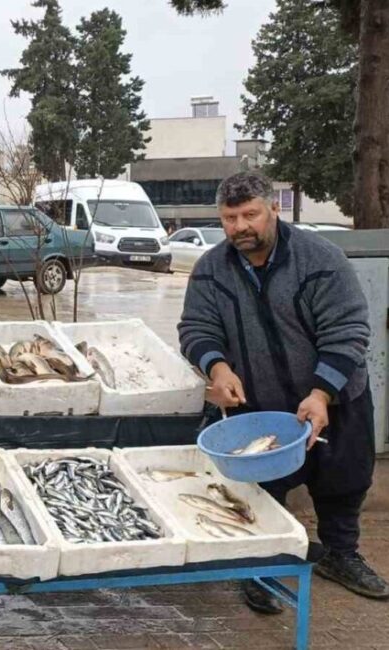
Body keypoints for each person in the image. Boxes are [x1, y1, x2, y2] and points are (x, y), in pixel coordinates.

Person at [178, 171, 388, 615]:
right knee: (260, 490)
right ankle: (261, 565)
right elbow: (196, 328)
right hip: (260, 405)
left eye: (250, 214)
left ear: (274, 208)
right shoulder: (211, 269)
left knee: (344, 481)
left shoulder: (320, 259)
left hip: (335, 397)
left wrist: (321, 393)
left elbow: (348, 330)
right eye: (230, 217)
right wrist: (216, 366)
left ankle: (341, 555)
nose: (240, 226)